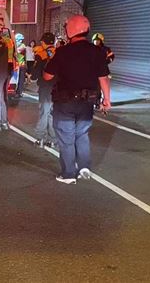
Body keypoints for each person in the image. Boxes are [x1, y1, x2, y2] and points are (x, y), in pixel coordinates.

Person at [44, 15, 111, 184]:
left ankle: (68, 174)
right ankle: (84, 167)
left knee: (66, 137)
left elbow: (47, 75)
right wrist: (107, 100)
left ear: (70, 30)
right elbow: (103, 78)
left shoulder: (63, 51)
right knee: (82, 134)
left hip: (65, 101)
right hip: (87, 102)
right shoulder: (97, 52)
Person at [32, 32, 56, 148]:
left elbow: (36, 72)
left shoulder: (41, 54)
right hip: (58, 87)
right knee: (52, 113)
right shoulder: (59, 53)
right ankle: (52, 140)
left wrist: (31, 77)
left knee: (44, 112)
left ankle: (40, 138)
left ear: (43, 42)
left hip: (46, 86)